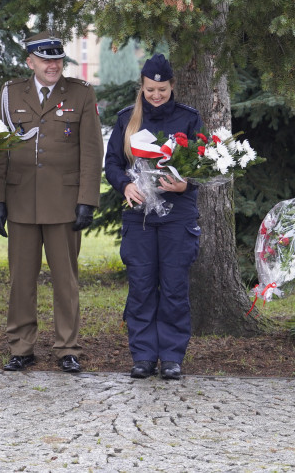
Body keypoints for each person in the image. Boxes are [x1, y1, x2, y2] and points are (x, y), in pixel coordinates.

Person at [0, 31, 103, 373]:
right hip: (21, 198)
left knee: (65, 280)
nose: (52, 66)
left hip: (64, 201)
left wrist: (87, 200)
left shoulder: (80, 93)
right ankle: (21, 346)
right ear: (30, 62)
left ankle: (67, 347)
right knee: (21, 280)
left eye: (57, 59)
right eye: (44, 59)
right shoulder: (11, 94)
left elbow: (91, 150)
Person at [103, 54, 203, 380]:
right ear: (142, 87)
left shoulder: (189, 118)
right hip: (140, 217)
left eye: (161, 89)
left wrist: (185, 183)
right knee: (142, 287)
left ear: (172, 85)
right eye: (150, 90)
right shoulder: (126, 119)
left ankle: (172, 356)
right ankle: (143, 356)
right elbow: (113, 164)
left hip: (178, 216)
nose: (156, 95)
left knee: (174, 288)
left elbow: (206, 163)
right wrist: (125, 186)